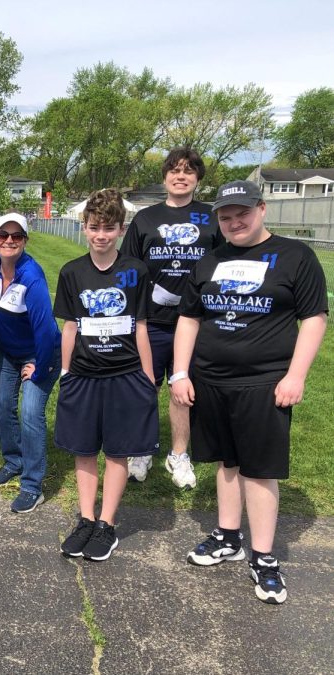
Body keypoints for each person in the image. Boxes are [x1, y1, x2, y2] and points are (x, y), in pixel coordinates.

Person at [172, 181, 327, 604]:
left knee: (258, 470)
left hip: (264, 382)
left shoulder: (296, 256)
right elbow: (189, 318)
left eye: (242, 213)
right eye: (225, 216)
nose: (234, 222)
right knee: (226, 462)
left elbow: (314, 319)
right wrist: (180, 373)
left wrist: (295, 376)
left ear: (261, 209)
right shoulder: (208, 261)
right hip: (211, 379)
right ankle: (227, 536)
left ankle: (263, 556)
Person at [53, 189, 158, 561]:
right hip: (83, 374)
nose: (101, 235)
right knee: (83, 450)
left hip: (125, 373)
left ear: (120, 229)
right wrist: (66, 372)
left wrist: (147, 376)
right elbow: (69, 328)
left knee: (117, 452)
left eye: (108, 228)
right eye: (94, 227)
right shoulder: (72, 272)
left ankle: (106, 524)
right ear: (84, 228)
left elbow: (141, 326)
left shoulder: (136, 270)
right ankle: (85, 518)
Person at [120, 147, 222, 487]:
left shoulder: (211, 218)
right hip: (151, 322)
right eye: (175, 170)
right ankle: (142, 448)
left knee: (183, 392)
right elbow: (128, 270)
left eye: (189, 171)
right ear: (165, 176)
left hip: (194, 324)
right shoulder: (146, 219)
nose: (181, 176)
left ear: (197, 178)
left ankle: (178, 455)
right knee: (144, 387)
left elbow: (223, 266)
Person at [0, 213, 62, 513]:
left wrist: (40, 366)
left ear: (25, 240)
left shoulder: (33, 276)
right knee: (2, 406)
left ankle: (32, 485)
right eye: (3, 235)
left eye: (16, 236)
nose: (9, 241)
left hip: (41, 352)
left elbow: (47, 330)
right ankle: (13, 461)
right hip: (5, 351)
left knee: (30, 413)